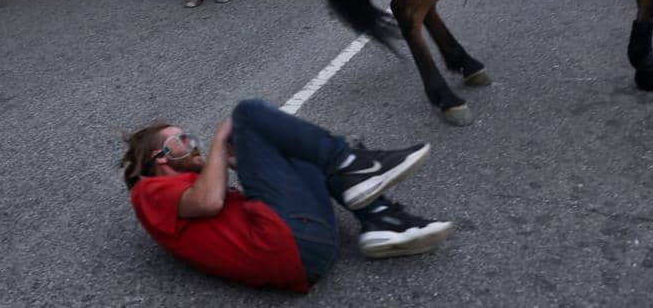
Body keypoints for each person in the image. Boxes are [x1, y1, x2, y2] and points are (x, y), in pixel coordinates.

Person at [121, 99, 453, 293]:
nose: (192, 142)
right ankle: (352, 164)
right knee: (246, 114)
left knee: (295, 149)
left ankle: (381, 219)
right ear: (160, 157)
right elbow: (209, 202)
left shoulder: (184, 188)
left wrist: (250, 160)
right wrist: (218, 142)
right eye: (183, 139)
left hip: (304, 246)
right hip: (288, 244)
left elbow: (213, 202)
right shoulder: (148, 193)